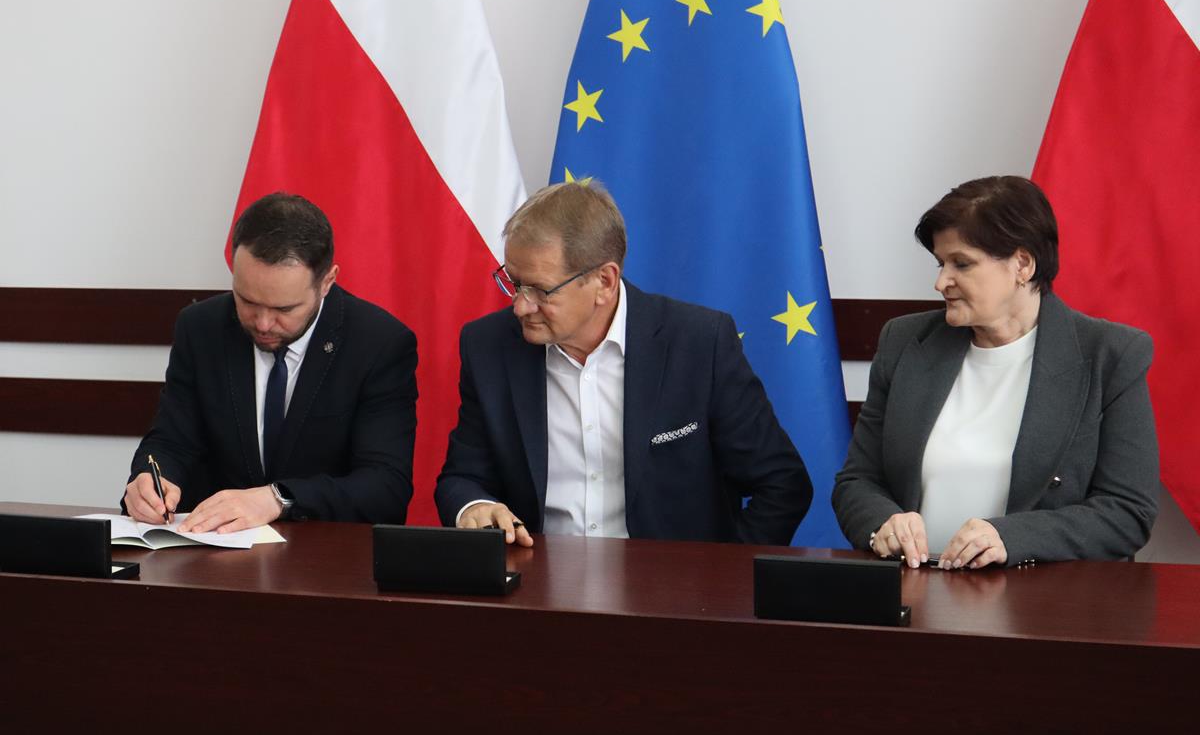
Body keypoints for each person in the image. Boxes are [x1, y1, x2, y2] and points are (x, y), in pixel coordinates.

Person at [434, 181, 813, 547]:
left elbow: (783, 484)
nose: (520, 306)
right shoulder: (489, 346)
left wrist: (721, 577)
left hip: (669, 585)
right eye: (514, 283)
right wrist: (475, 506)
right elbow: (462, 477)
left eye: (539, 290)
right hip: (539, 580)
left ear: (605, 281)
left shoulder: (699, 344)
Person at [833, 176, 1158, 569]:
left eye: (962, 263)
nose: (941, 282)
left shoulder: (1111, 354)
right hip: (914, 590)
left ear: (1022, 264)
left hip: (1044, 599)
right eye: (940, 263)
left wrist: (1011, 537)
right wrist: (882, 524)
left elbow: (1127, 512)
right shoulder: (903, 341)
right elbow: (857, 481)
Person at [123, 192, 417, 531]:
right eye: (247, 300)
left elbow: (385, 487)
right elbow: (172, 441)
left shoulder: (378, 343)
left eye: (283, 309)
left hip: (326, 554)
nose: (262, 324)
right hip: (214, 550)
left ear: (327, 282)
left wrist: (278, 498)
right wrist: (150, 479)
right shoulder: (200, 328)